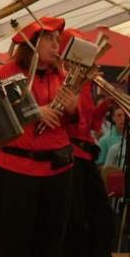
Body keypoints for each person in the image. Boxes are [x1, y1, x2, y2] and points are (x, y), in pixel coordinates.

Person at [0, 17, 79, 257]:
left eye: (57, 40)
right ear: (31, 43)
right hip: (17, 171)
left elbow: (72, 125)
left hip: (58, 170)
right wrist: (33, 111)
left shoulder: (62, 74)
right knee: (11, 243)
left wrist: (73, 109)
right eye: (49, 39)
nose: (56, 45)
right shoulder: (5, 73)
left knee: (51, 242)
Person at [60, 29, 115, 257]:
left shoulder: (84, 84)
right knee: (77, 222)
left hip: (84, 155)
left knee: (101, 219)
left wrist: (105, 105)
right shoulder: (64, 78)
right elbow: (71, 121)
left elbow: (91, 124)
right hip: (71, 156)